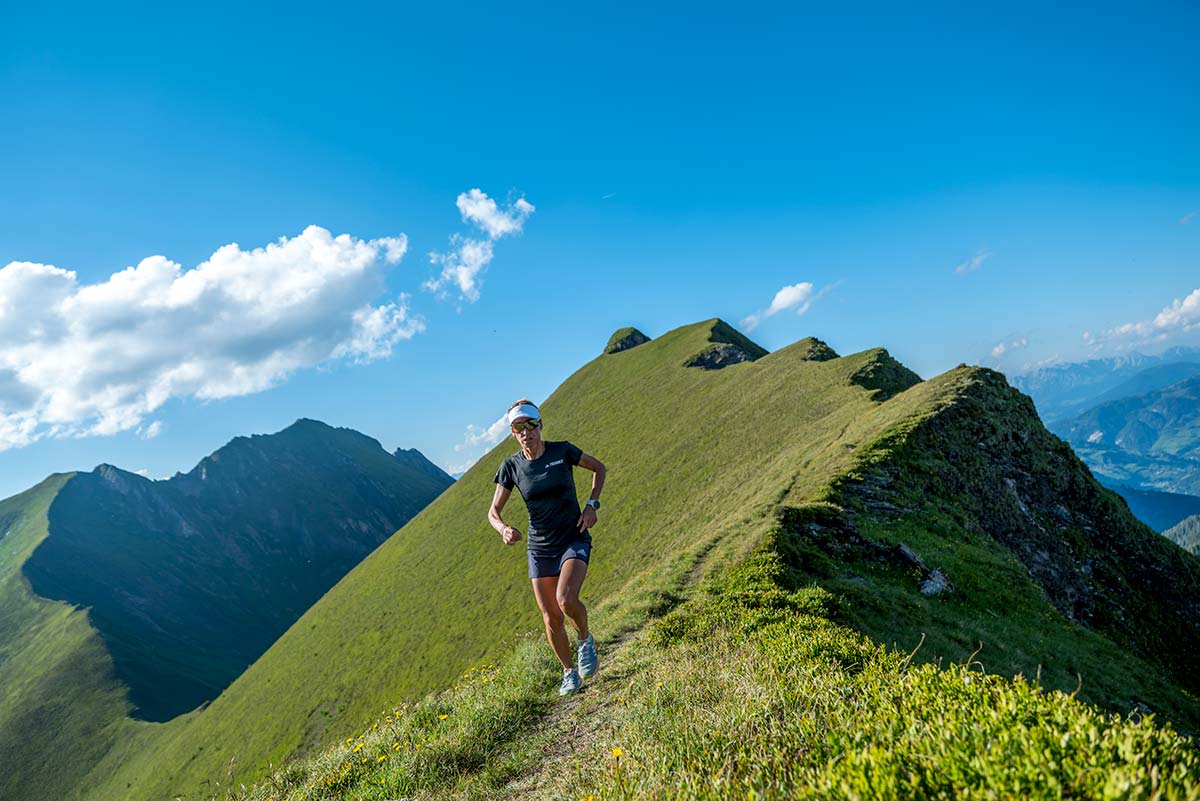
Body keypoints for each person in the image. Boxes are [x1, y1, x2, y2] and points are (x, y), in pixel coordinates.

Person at [488, 399, 606, 695]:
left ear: (540, 426)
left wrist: (592, 505)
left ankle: (585, 640)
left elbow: (599, 469)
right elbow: (493, 512)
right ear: (513, 433)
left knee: (566, 600)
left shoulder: (562, 451)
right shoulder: (511, 467)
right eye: (519, 427)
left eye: (531, 425)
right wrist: (503, 529)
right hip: (539, 547)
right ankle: (569, 673)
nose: (526, 432)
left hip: (573, 537)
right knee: (551, 615)